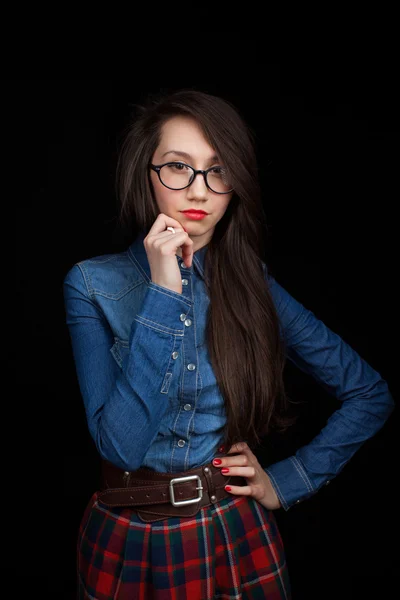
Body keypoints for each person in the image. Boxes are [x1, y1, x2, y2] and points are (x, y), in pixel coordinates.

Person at [63, 88, 394, 599]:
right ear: (145, 174)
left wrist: (288, 480)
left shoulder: (251, 283)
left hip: (228, 533)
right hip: (125, 538)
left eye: (218, 171)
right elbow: (121, 446)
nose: (199, 191)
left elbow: (368, 392)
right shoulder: (90, 285)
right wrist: (164, 291)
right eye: (178, 166)